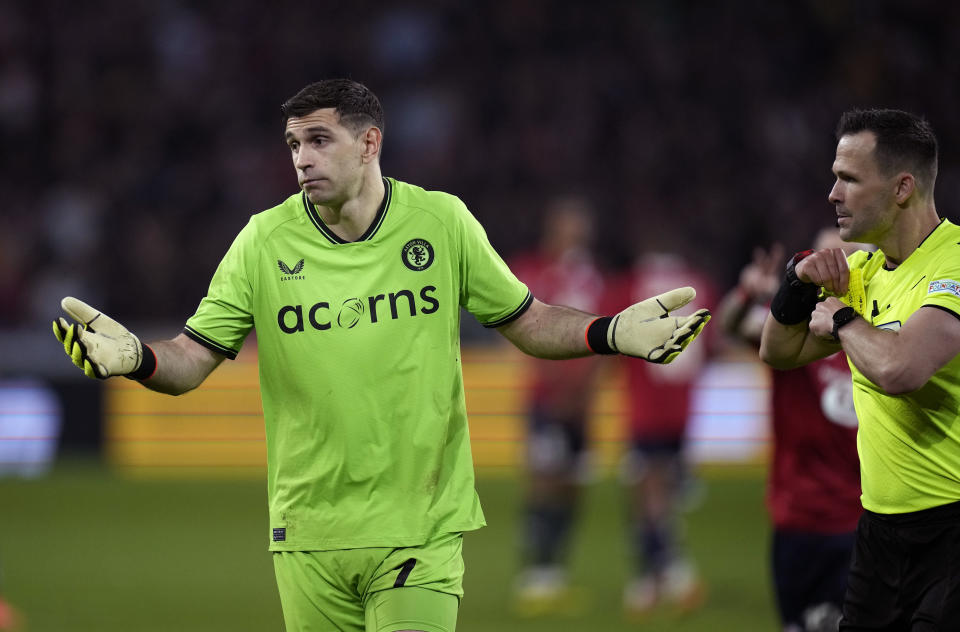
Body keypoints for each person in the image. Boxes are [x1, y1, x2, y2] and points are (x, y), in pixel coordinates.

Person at [51, 79, 710, 632]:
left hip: (416, 526)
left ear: (370, 144)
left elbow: (529, 319)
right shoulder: (261, 242)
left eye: (318, 140)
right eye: (293, 145)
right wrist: (138, 359)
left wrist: (608, 333)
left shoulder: (441, 222)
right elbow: (193, 357)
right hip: (306, 534)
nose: (301, 159)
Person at [759, 108, 960, 630]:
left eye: (849, 178)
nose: (833, 193)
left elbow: (901, 369)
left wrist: (843, 318)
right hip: (878, 534)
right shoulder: (865, 272)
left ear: (901, 188)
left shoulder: (953, 265)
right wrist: (797, 284)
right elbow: (777, 352)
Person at [717, 228, 864, 632]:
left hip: (868, 519)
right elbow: (729, 328)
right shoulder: (793, 333)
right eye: (824, 259)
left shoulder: (883, 334)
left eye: (845, 258)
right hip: (800, 518)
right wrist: (748, 293)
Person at [508, 198, 609, 614]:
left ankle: (556, 574)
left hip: (582, 406)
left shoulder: (592, 278)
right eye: (570, 228)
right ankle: (535, 573)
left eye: (581, 229)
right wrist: (554, 386)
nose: (577, 236)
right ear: (553, 230)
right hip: (546, 403)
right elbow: (526, 330)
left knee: (571, 488)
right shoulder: (532, 270)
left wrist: (588, 391)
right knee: (544, 481)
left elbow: (606, 336)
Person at [617, 247, 716, 616]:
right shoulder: (698, 284)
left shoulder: (630, 286)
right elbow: (713, 344)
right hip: (682, 409)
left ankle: (666, 572)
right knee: (659, 494)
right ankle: (657, 576)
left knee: (648, 493)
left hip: (647, 409)